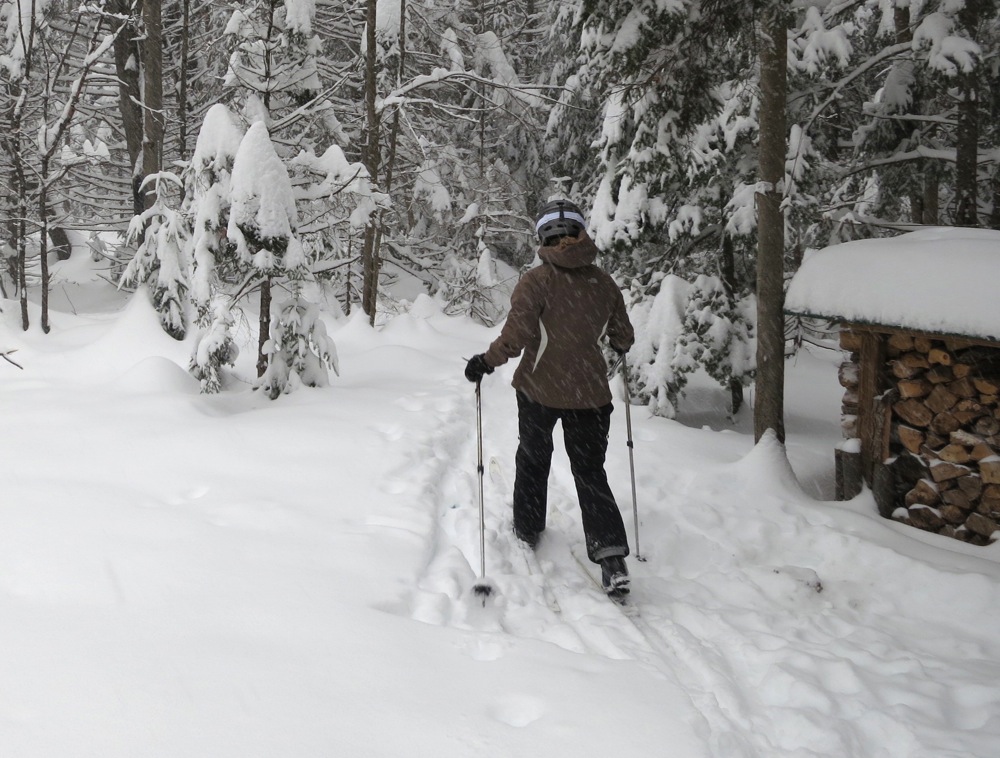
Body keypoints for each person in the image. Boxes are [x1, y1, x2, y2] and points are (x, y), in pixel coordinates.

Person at [464, 199, 635, 596]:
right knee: (590, 472)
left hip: (539, 391)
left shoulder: (537, 281)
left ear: (543, 238)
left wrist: (484, 363)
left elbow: (517, 337)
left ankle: (527, 529)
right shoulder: (604, 283)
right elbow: (623, 338)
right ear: (580, 235)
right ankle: (611, 557)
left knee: (534, 458)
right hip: (590, 396)